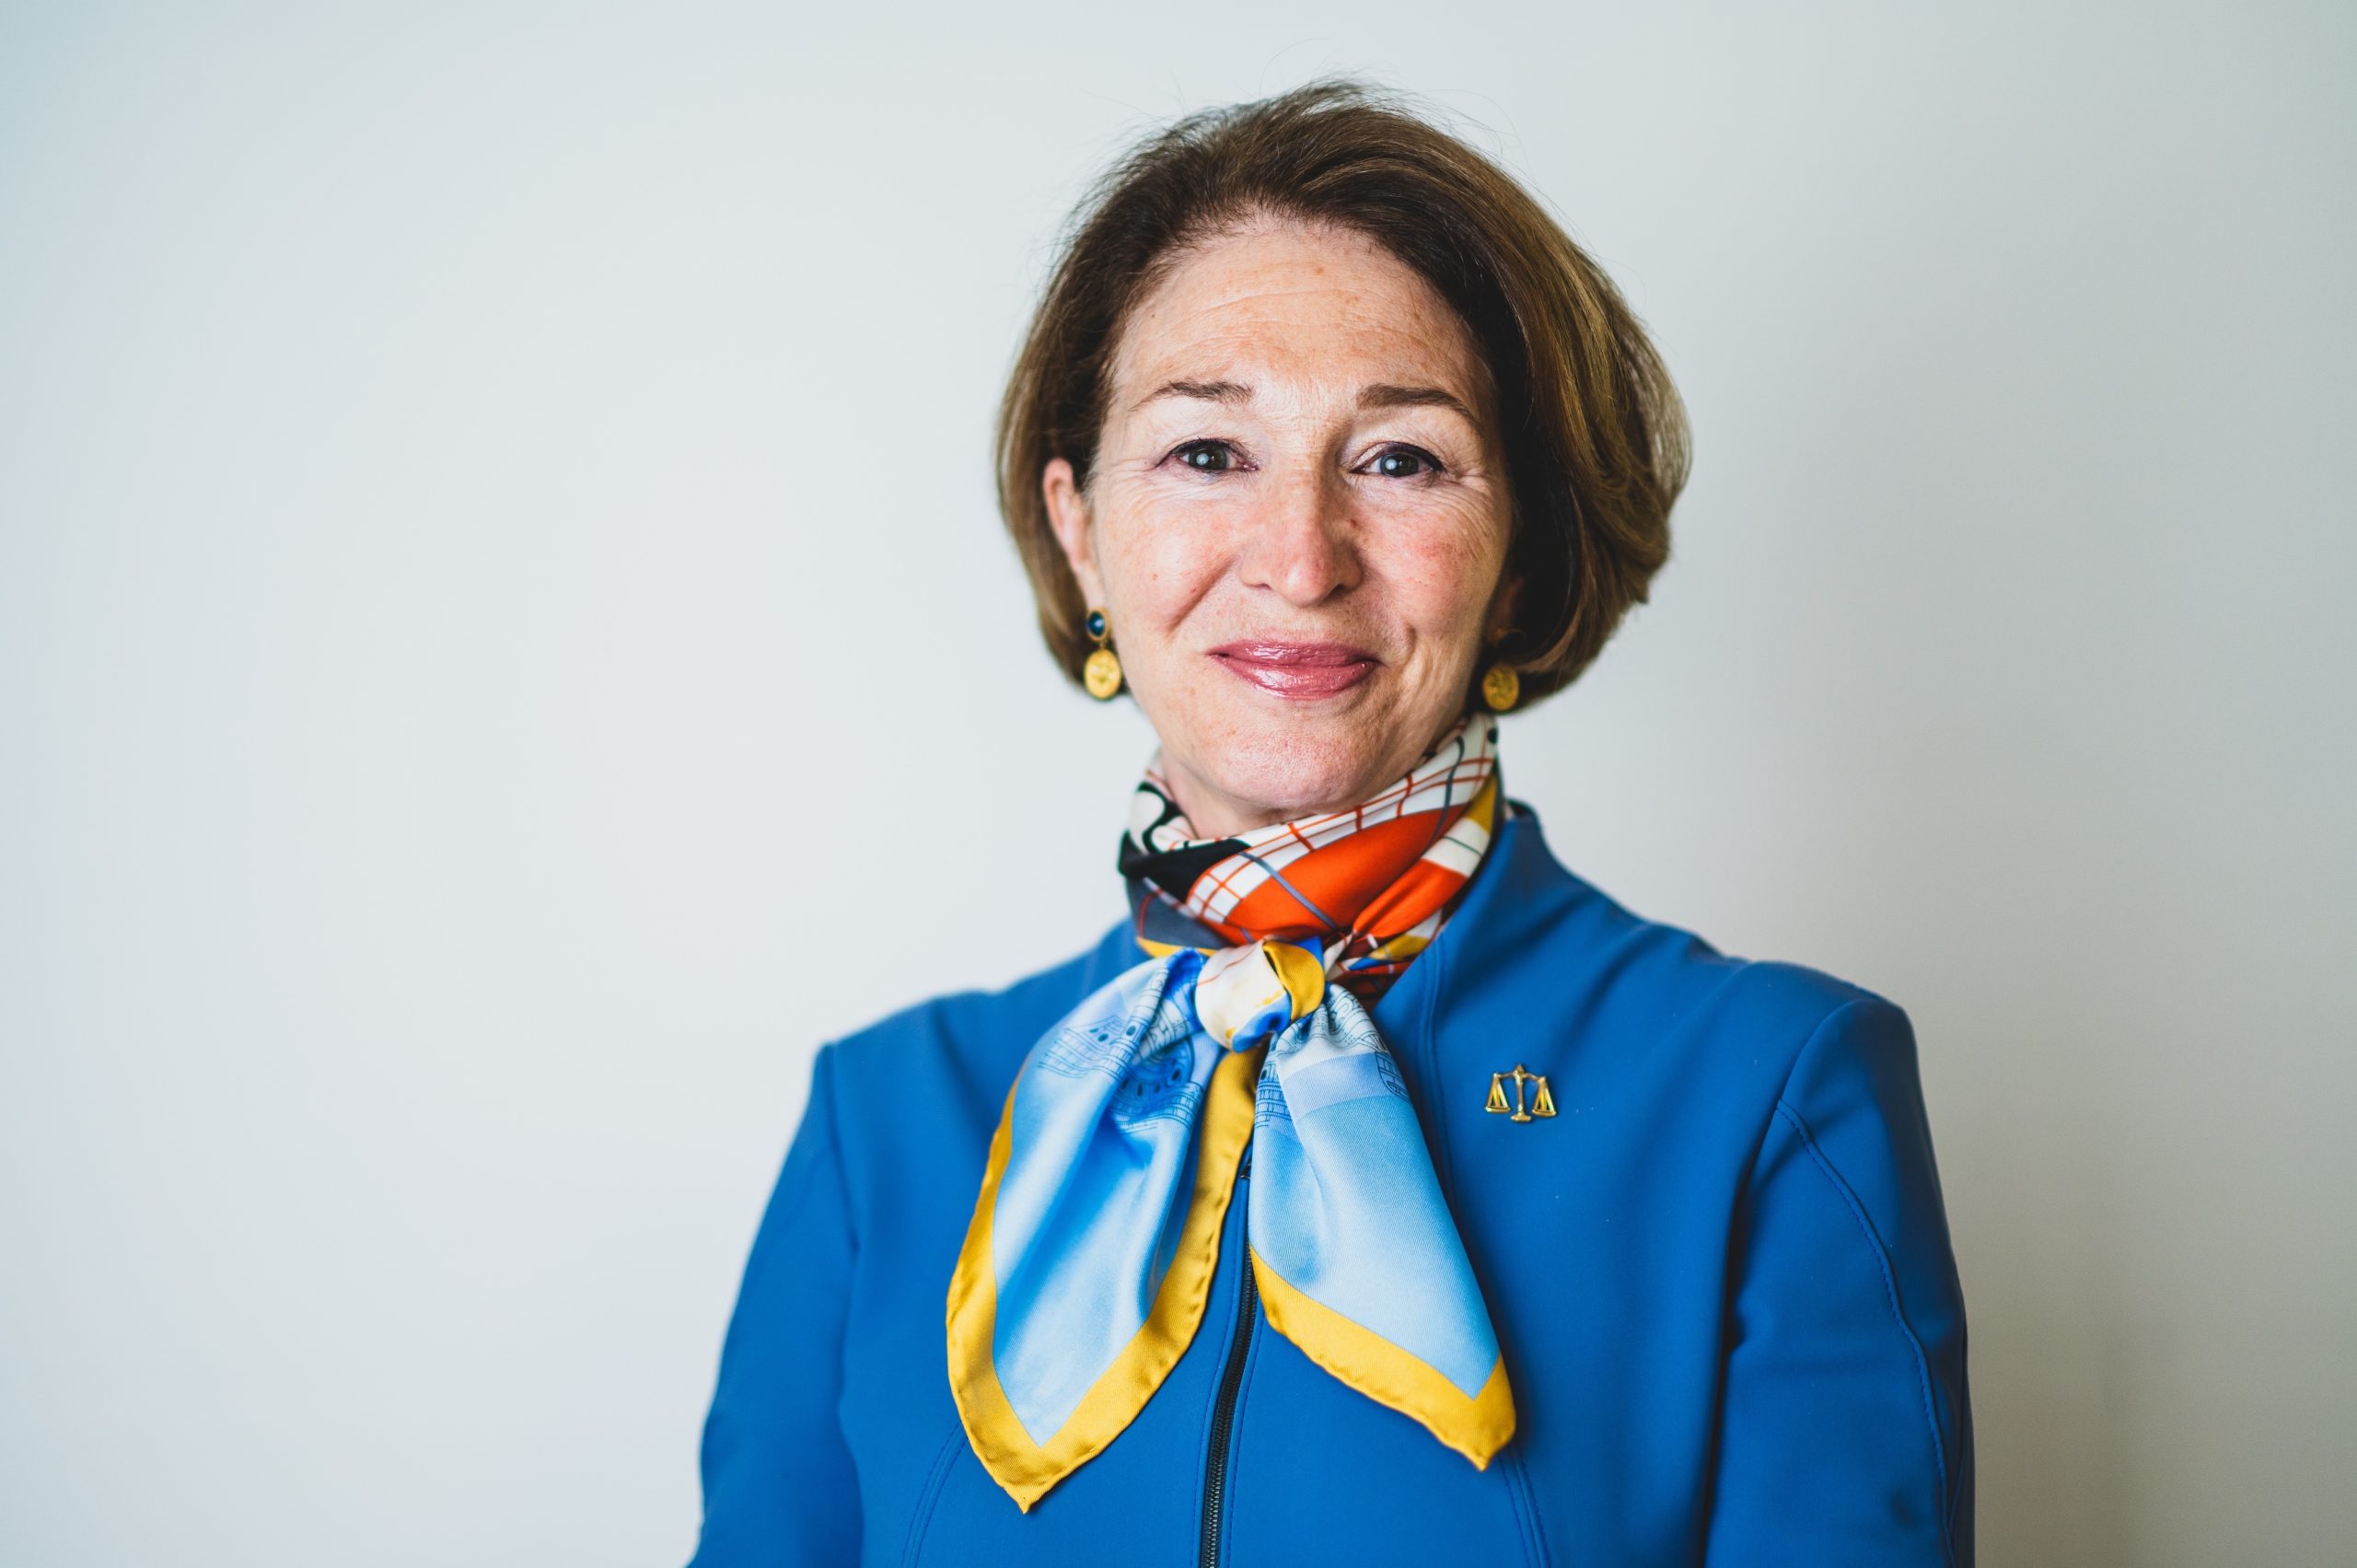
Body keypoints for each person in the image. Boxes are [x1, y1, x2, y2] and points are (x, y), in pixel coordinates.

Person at [685, 77, 1971, 1568]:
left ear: (1523, 554)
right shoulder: (882, 1123)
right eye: (1207, 452)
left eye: (1401, 460)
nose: (1301, 560)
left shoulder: (1767, 1093)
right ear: (1080, 527)